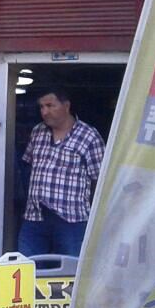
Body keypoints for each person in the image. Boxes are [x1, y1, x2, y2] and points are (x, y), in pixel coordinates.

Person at [18, 87, 105, 257]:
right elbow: (28, 166)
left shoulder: (89, 136)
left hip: (71, 219)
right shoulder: (37, 132)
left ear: (66, 106)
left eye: (50, 105)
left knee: (71, 268)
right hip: (35, 216)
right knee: (26, 265)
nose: (45, 112)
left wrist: (94, 214)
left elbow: (100, 180)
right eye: (41, 107)